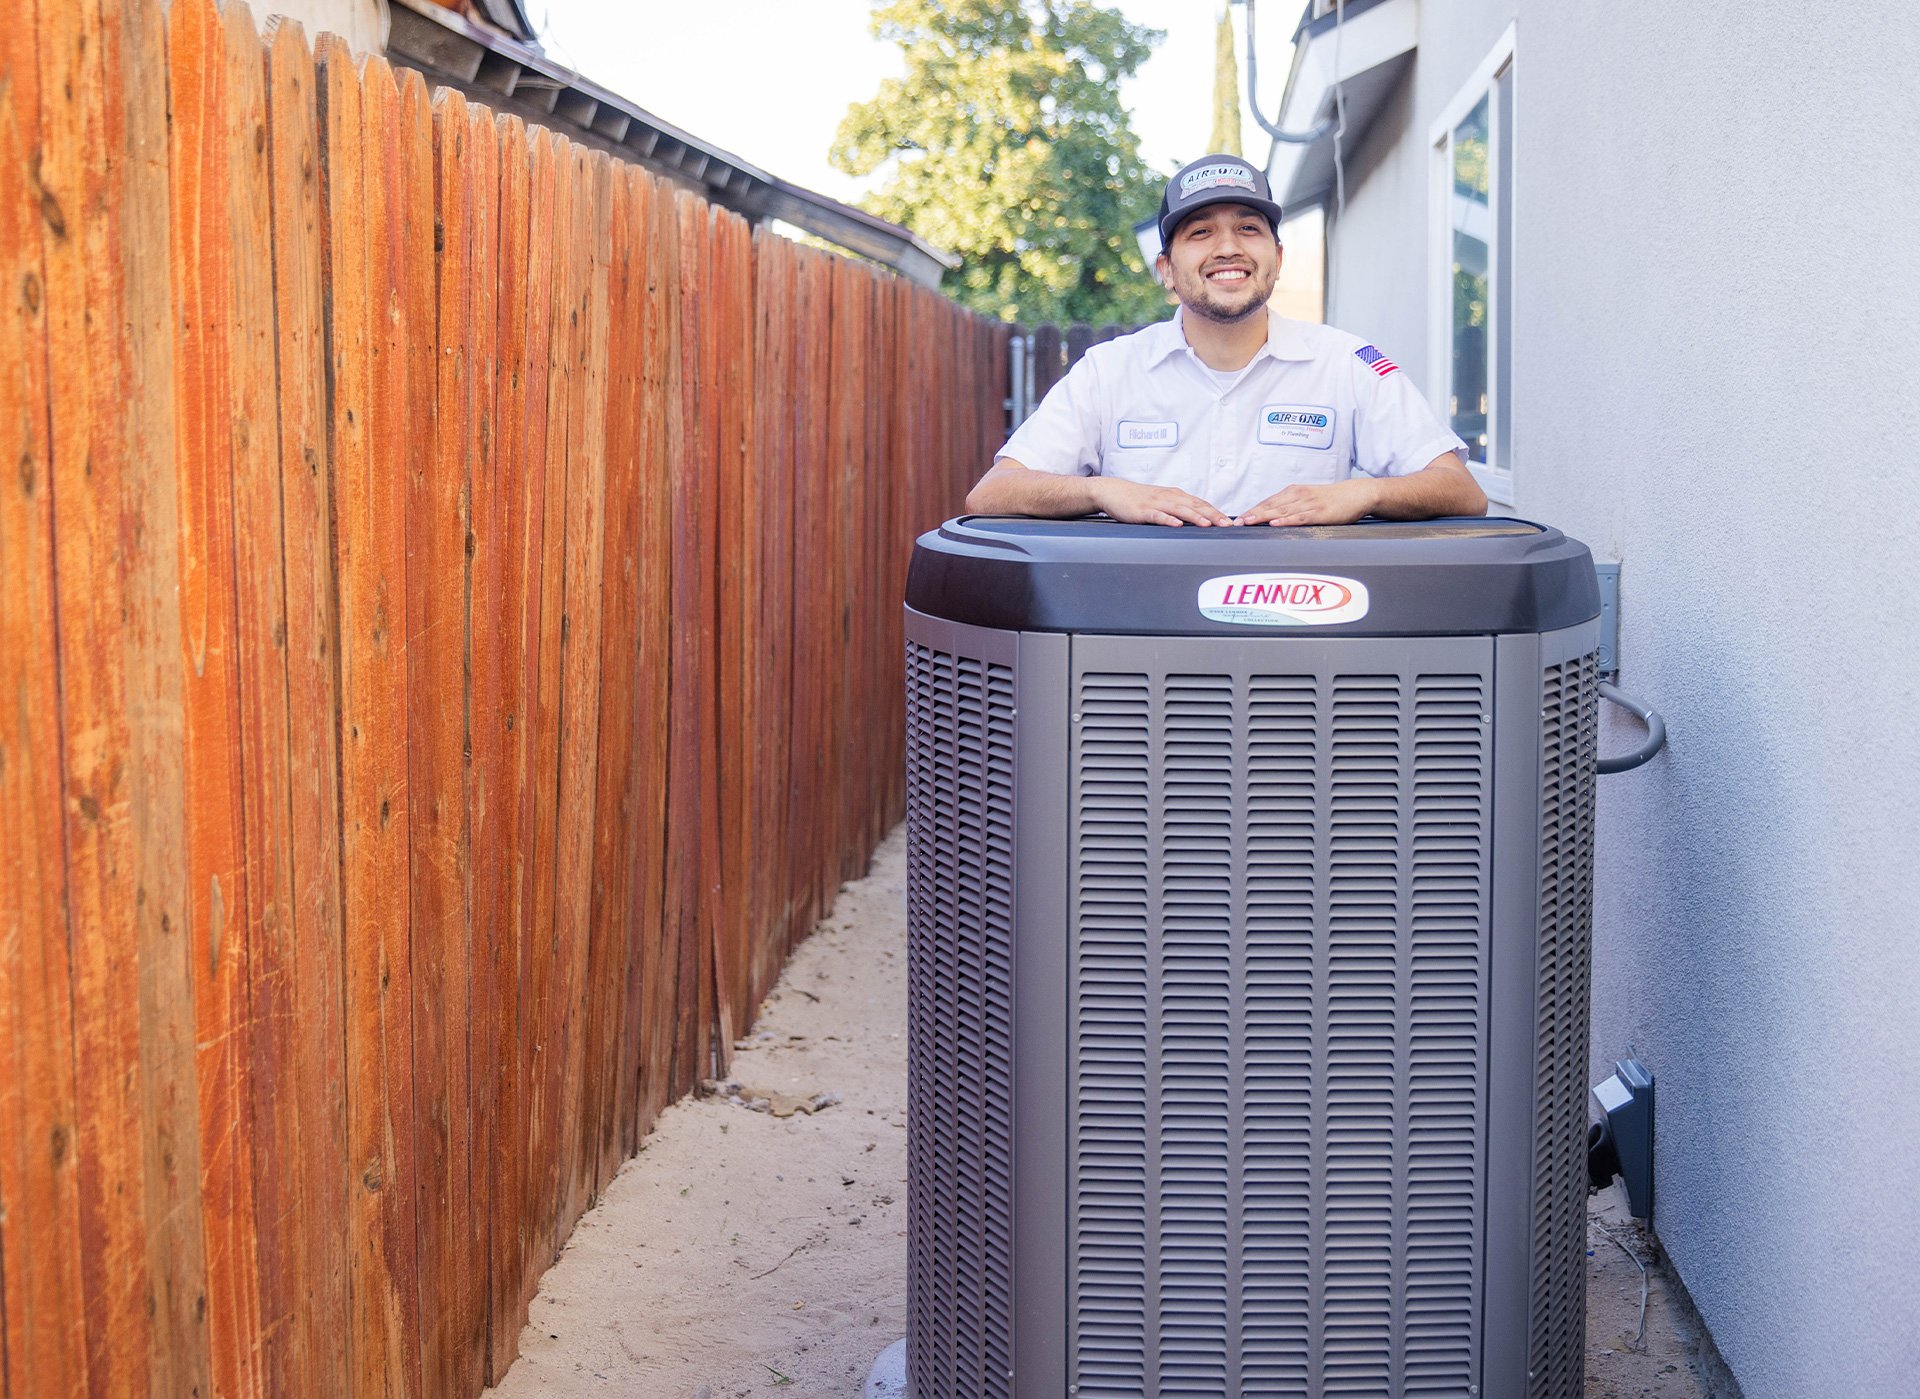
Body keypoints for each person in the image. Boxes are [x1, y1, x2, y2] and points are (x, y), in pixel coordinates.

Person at [966, 154, 1487, 527]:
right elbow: (992, 494)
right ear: (1166, 270)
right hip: (1143, 629)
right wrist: (1103, 491)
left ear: (1277, 259)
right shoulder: (1107, 372)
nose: (1228, 248)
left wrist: (1361, 494)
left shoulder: (1347, 363)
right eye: (1200, 233)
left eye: (1248, 229)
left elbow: (1462, 490)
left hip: (1300, 628)